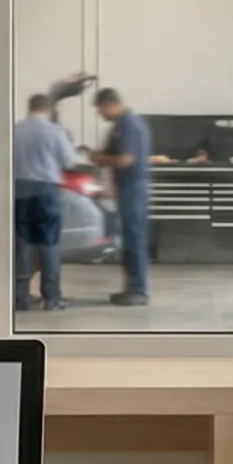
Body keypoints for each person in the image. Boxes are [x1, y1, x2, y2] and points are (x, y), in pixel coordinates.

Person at [12, 93, 75, 311]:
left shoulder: (15, 130)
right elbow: (69, 160)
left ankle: (19, 298)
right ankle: (51, 297)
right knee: (49, 246)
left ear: (29, 108)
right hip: (46, 191)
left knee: (21, 246)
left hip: (19, 190)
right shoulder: (55, 131)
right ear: (48, 109)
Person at [93, 87, 152, 306]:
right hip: (125, 187)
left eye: (101, 110)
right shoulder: (119, 126)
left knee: (135, 238)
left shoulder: (130, 125)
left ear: (110, 104)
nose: (101, 114)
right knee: (128, 239)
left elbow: (126, 159)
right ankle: (130, 288)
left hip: (134, 188)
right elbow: (110, 153)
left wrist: (100, 159)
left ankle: (139, 290)